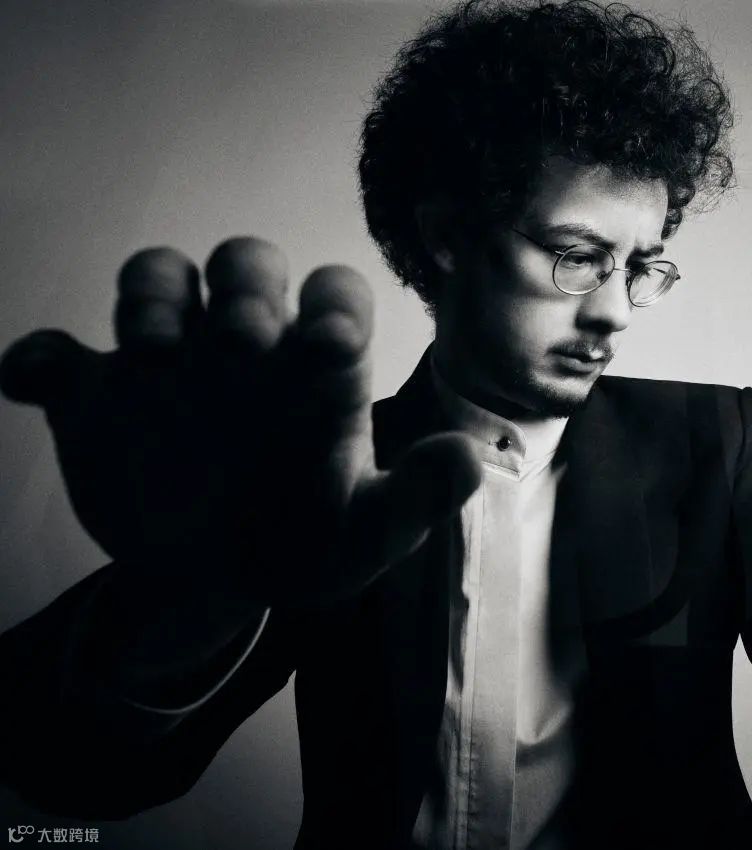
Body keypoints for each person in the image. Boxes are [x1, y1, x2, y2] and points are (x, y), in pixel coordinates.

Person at [0, 0, 748, 847]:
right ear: (446, 236)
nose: (614, 312)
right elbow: (59, 769)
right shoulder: (320, 471)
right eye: (578, 257)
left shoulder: (725, 442)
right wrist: (191, 596)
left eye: (639, 267)